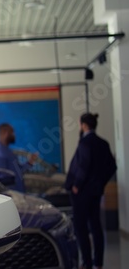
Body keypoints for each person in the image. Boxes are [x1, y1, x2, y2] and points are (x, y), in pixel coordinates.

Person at [64, 113, 117, 269]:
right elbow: (112, 167)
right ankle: (98, 263)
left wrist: (77, 185)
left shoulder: (84, 143)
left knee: (81, 228)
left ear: (84, 125)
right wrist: (100, 183)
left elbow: (83, 166)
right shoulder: (103, 143)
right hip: (95, 192)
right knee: (96, 227)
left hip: (81, 194)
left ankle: (86, 262)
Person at [0, 123, 37, 192]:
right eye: (12, 132)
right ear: (5, 133)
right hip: (12, 197)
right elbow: (1, 181)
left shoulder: (7, 152)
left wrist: (30, 162)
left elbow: (18, 171)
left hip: (18, 194)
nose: (14, 135)